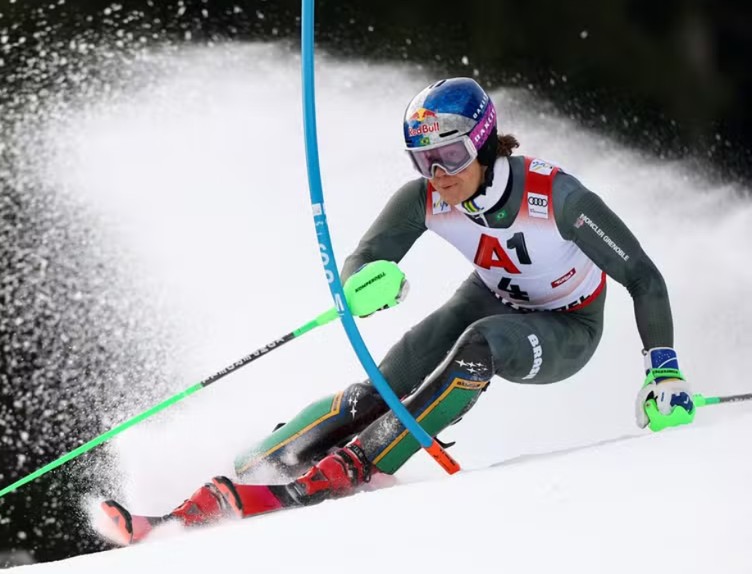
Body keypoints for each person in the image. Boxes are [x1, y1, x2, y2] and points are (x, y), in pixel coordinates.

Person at [102, 78, 698, 539]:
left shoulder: (556, 197)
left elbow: (643, 276)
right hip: (489, 294)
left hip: (567, 324)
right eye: (422, 160)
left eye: (451, 156)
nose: (438, 175)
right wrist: (362, 284)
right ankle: (254, 467)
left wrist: (664, 370)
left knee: (480, 346)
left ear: (484, 143)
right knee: (376, 392)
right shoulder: (424, 198)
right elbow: (363, 260)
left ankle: (351, 467)